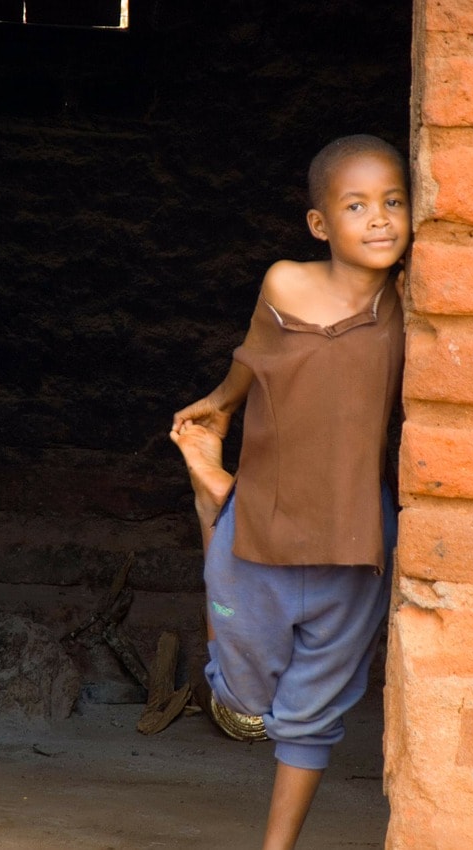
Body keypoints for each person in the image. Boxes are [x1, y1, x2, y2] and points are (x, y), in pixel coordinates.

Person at [170, 134, 409, 850]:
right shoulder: (285, 283)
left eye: (394, 202)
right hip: (265, 528)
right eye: (357, 205)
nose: (379, 219)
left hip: (355, 538)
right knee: (241, 706)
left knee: (310, 717)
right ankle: (214, 504)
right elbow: (254, 358)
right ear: (320, 224)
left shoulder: (411, 298)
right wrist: (219, 405)